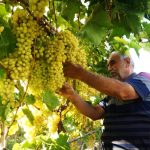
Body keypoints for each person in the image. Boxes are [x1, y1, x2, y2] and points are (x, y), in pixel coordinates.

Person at [60, 51, 150, 150]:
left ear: (127, 62)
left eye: (112, 63)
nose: (109, 68)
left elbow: (125, 92)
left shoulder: (145, 78)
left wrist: (80, 73)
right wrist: (72, 95)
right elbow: (94, 113)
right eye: (108, 65)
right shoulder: (110, 97)